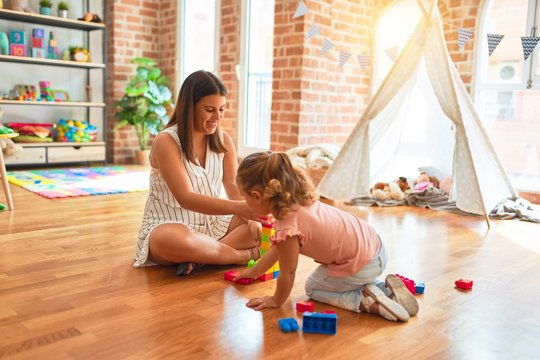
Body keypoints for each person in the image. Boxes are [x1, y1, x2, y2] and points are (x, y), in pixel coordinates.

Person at [234, 152, 419, 322]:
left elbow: (288, 272)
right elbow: (278, 249)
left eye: (244, 197)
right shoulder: (300, 199)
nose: (244, 202)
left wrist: (275, 300)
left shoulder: (288, 225)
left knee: (313, 287)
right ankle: (383, 289)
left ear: (257, 196)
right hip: (376, 247)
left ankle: (363, 300)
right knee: (331, 277)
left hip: (362, 263)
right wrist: (254, 272)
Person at [134, 70, 261, 275]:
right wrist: (240, 209)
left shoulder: (224, 141)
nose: (217, 117)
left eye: (222, 109)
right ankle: (242, 256)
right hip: (170, 224)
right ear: (189, 108)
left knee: (264, 227)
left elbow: (233, 187)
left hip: (213, 225)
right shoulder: (166, 141)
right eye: (209, 109)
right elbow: (186, 198)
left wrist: (252, 216)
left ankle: (204, 257)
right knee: (172, 240)